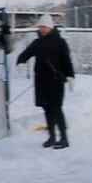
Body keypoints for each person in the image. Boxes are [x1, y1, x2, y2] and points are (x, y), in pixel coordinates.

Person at [16, 14, 75, 149]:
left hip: (56, 80)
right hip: (42, 81)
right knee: (47, 109)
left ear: (50, 27)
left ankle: (64, 138)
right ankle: (52, 137)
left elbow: (66, 60)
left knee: (57, 109)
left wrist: (70, 76)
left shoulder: (60, 42)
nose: (42, 29)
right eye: (40, 27)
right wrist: (20, 62)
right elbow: (26, 54)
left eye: (44, 27)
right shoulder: (37, 43)